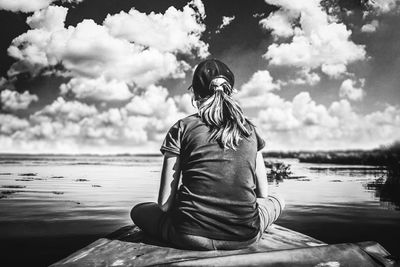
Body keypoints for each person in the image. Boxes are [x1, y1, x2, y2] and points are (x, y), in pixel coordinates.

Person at [131, 59, 285, 250]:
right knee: (278, 200)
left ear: (195, 93)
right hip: (245, 236)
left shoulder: (182, 127)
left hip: (188, 236)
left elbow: (164, 204)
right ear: (231, 91)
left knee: (137, 211)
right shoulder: (250, 130)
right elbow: (263, 194)